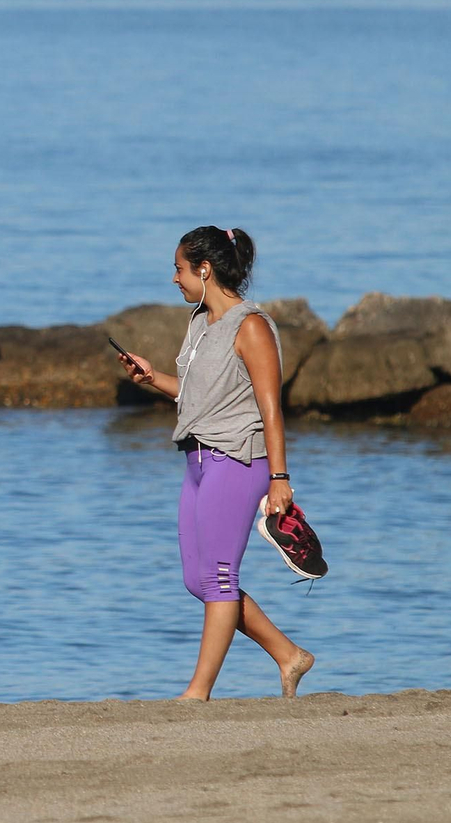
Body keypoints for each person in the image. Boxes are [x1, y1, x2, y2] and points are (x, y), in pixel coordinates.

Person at [117, 227, 315, 700]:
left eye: (179, 269)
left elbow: (271, 408)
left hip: (238, 461)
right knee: (197, 579)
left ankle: (197, 694)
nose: (174, 279)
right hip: (198, 460)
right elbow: (198, 396)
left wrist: (280, 478)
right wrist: (154, 379)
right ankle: (289, 656)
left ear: (204, 270)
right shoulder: (199, 323)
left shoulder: (252, 326)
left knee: (221, 576)